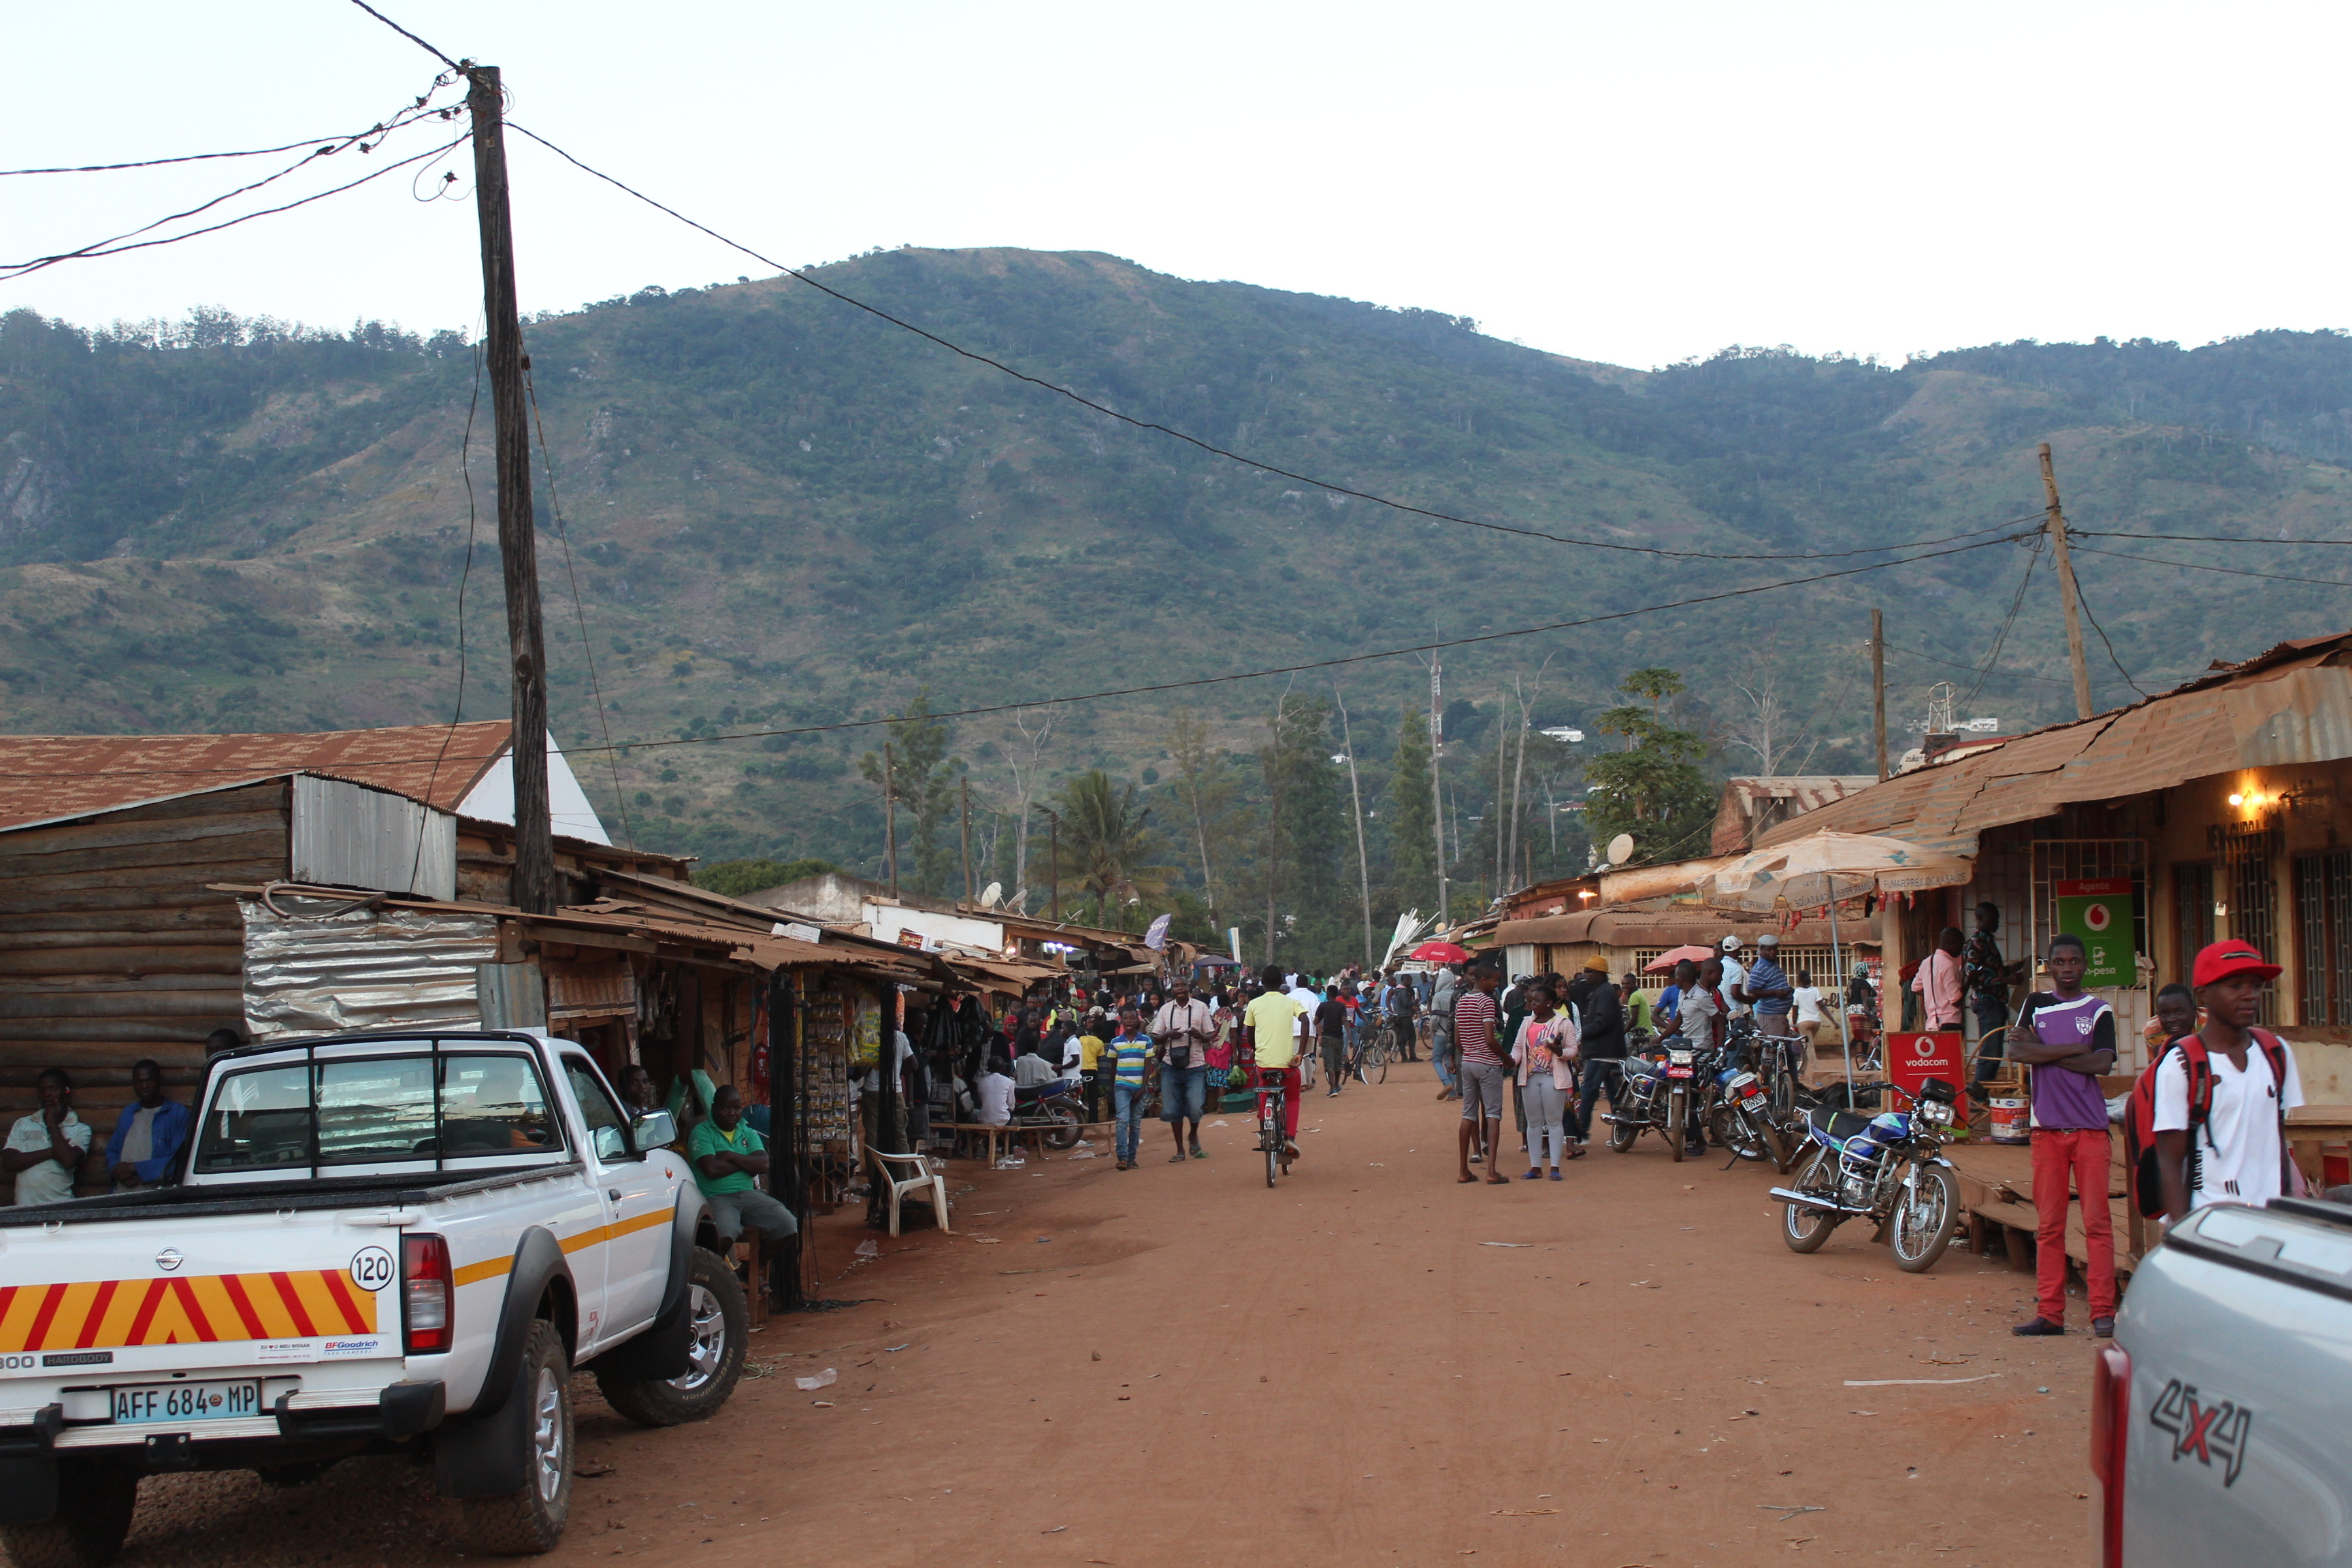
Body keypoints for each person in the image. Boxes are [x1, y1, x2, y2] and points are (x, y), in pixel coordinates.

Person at [2004, 932, 2120, 1339]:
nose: (2067, 968)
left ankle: (2102, 1311)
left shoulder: (2100, 1010)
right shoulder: (2034, 1004)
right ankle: (2050, 1314)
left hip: (2090, 1131)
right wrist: (2075, 1048)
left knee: (2098, 1224)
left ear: (2085, 966)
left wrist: (2047, 1048)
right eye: (2060, 962)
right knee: (2050, 1225)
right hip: (2047, 1132)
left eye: (2074, 961)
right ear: (2049, 967)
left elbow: (2102, 1064)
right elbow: (2017, 1054)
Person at [2153, 941, 2303, 1225]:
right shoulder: (2181, 1065)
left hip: (2272, 1218)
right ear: (2203, 994)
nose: (2249, 995)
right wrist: (2183, 1232)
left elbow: (2277, 1139)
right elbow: (2169, 1160)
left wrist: (2293, 1205)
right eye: (2235, 986)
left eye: (2256, 986)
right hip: (2210, 1221)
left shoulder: (2276, 1053)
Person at [689, 1086, 797, 1296]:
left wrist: (730, 1155)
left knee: (787, 1226)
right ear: (714, 1109)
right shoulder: (701, 1132)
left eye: (737, 1108)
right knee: (724, 1234)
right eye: (726, 1108)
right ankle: (716, 1282)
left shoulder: (746, 1130)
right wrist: (747, 1163)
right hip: (717, 1196)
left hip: (749, 1195)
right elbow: (711, 1169)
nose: (732, 1114)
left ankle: (748, 1269)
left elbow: (764, 1164)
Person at [1511, 982, 1580, 1179]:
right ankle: (1535, 1166)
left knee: (1554, 1122)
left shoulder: (1564, 1023)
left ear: (1549, 1003)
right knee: (1533, 1123)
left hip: (1553, 1077)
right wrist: (1511, 1061)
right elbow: (1518, 1048)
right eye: (1532, 1001)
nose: (1533, 1004)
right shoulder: (1527, 1023)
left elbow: (1573, 1050)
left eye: (1537, 1001)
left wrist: (1559, 1051)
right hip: (1531, 1077)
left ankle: (1555, 1167)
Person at [1241, 964, 1307, 1166]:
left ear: (1262, 982)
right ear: (1281, 983)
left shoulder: (1254, 1004)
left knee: (1263, 1090)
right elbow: (1306, 1020)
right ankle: (1290, 1138)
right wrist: (1300, 1053)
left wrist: (1256, 1050)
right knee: (1293, 1096)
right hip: (1287, 1065)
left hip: (1263, 1063)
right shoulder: (1290, 1002)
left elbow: (1249, 1034)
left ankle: (1264, 1129)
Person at [1453, 966, 1509, 1186]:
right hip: (1487, 1063)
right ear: (1483, 979)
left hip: (1467, 1062)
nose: (1496, 985)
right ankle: (1492, 1171)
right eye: (1495, 980)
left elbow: (1458, 1039)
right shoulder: (1486, 1002)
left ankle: (1463, 1170)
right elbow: (1490, 1038)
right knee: (1493, 1114)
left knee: (1468, 1114)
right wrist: (1506, 1058)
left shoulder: (1462, 1001)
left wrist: (1468, 1053)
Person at [1151, 979, 1217, 1162]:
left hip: (1195, 1065)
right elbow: (1156, 1037)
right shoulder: (1165, 1010)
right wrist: (1168, 1035)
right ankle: (1180, 1150)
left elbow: (1210, 1035)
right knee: (1173, 1109)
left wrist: (1200, 1035)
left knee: (1196, 1107)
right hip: (1171, 1065)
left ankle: (1193, 1133)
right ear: (1172, 990)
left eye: (1182, 985)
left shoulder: (1201, 1007)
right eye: (1176, 986)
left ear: (1189, 988)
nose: (1180, 989)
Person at [7, 1068, 91, 1206]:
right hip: (24, 1208)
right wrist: (52, 1152)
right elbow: (9, 1163)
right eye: (42, 1090)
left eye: (53, 1089)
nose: (47, 1094)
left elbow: (68, 1160)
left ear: (66, 1091)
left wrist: (52, 1122)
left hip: (61, 1208)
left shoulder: (80, 1129)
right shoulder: (23, 1124)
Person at [105, 1060, 191, 1192]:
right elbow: (112, 1152)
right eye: (139, 1082)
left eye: (149, 1080)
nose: (144, 1086)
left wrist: (136, 1169)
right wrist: (121, 1174)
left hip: (156, 1195)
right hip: (122, 1193)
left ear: (159, 1080)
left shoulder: (177, 1114)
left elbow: (179, 1160)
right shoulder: (128, 1113)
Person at [1571, 958, 1624, 1146]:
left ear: (1600, 974)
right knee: (1614, 1094)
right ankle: (1623, 1131)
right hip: (1607, 1051)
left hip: (1602, 1051)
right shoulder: (1602, 991)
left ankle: (1581, 1133)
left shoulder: (1604, 993)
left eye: (1590, 972)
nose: (1587, 975)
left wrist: (1581, 1033)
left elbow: (1603, 1022)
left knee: (1589, 1091)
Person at [1676, 959, 1727, 1157]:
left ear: (1684, 978)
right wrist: (1660, 1038)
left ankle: (1697, 1139)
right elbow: (1679, 1021)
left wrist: (1719, 1046)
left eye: (1677, 977)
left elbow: (1719, 1019)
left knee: (1691, 1095)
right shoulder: (1682, 995)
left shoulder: (1702, 997)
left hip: (1701, 1051)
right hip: (1685, 1050)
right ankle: (1691, 1135)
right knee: (1678, 1088)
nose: (1675, 980)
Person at [1964, 902, 2015, 1096]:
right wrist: (2006, 980)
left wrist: (2022, 966)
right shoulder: (1976, 944)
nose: (1997, 923)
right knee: (1989, 1051)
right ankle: (1977, 1095)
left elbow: (1996, 971)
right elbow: (1974, 977)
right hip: (1987, 1003)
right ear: (1980, 919)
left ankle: (1983, 1094)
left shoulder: (1988, 942)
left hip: (1996, 1002)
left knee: (1995, 1052)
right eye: (1993, 919)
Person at [1106, 1004, 1155, 1171]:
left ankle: (1132, 1158)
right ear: (1121, 1022)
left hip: (1140, 1088)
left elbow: (1148, 1067)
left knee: (1135, 1124)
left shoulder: (1146, 1041)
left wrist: (1142, 1088)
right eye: (1125, 1018)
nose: (1128, 1021)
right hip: (1122, 1086)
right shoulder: (1115, 1043)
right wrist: (1114, 1087)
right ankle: (1122, 1157)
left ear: (1137, 1021)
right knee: (1122, 1121)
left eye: (1132, 1018)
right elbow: (1113, 1068)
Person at [1742, 934, 1797, 1075]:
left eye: (1774, 949)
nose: (1772, 952)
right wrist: (1775, 992)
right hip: (1770, 1015)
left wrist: (1787, 990)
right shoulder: (1760, 968)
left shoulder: (1773, 965)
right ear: (1761, 950)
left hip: (1779, 1016)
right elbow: (1753, 990)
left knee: (1785, 1053)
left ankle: (1789, 1083)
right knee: (1771, 1054)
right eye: (1768, 950)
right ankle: (1769, 1083)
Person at [1912, 928, 1965, 1032]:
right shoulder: (1948, 965)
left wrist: (1935, 994)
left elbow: (1915, 987)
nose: (1961, 951)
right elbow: (1955, 1000)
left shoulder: (1927, 962)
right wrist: (1970, 981)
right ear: (1953, 943)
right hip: (1950, 1023)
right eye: (1960, 946)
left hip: (1932, 1024)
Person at [1429, 964, 1464, 1102]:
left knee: (1437, 1060)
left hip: (1440, 1033)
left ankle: (1446, 1083)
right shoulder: (1457, 995)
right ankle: (1452, 1093)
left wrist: (1433, 1032)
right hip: (1455, 1034)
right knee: (1450, 1061)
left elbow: (1434, 1018)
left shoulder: (1438, 996)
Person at [1314, 983, 1350, 1097]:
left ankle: (1333, 1088)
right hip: (1339, 1037)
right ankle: (1336, 1085)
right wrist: (1350, 1037)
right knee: (1338, 1063)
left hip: (1327, 1037)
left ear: (1327, 994)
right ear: (1337, 994)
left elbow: (1316, 1021)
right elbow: (1345, 1020)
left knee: (1329, 1063)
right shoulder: (1341, 1006)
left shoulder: (1323, 1006)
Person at [1287, 975, 1322, 1088]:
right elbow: (1317, 1017)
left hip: (1293, 1031)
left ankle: (1301, 1083)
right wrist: (1320, 1033)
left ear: (1296, 984)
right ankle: (1309, 1081)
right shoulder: (1313, 997)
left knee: (1297, 1055)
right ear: (1307, 984)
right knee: (1307, 1056)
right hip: (1310, 1031)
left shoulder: (1289, 997)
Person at [1791, 970, 1827, 1064]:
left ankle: (1816, 1069)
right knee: (1807, 1045)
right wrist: (1833, 1021)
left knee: (1808, 1047)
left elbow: (1795, 1011)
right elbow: (1822, 1006)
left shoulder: (1797, 992)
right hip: (1816, 1021)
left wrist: (1794, 1024)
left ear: (1799, 980)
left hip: (1803, 1022)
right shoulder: (1815, 990)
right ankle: (1802, 1070)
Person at [1384, 973, 1420, 1064]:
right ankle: (1405, 1057)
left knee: (1410, 1037)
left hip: (1401, 1016)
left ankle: (1411, 1056)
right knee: (1405, 1038)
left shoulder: (1397, 990)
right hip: (1405, 1016)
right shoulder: (1403, 991)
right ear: (1407, 980)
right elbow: (1406, 1004)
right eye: (1410, 980)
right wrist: (1414, 1002)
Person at [973, 1056, 1016, 1128]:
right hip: (1003, 1120)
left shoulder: (981, 1081)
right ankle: (1010, 1138)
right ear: (1003, 1069)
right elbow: (1011, 1107)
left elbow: (982, 1101)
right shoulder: (1009, 1082)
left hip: (984, 1120)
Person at [1717, 936, 1750, 1021]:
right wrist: (1749, 1000)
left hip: (1721, 1012)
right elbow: (1735, 993)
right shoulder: (1736, 968)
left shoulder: (1718, 965)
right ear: (1738, 949)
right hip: (1735, 1014)